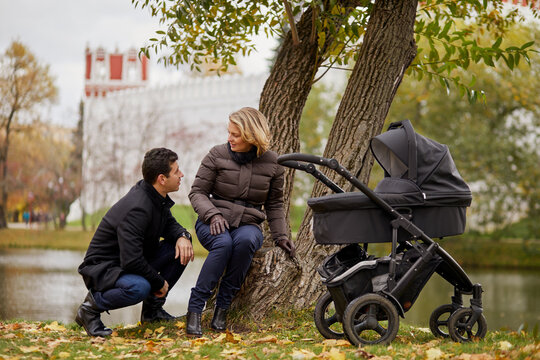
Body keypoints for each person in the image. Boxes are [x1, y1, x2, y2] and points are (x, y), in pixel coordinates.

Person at [186, 107, 296, 336]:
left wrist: (281, 236)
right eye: (229, 133)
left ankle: (222, 308)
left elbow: (275, 204)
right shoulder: (216, 154)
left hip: (248, 224)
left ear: (251, 135)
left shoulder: (273, 163)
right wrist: (212, 215)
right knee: (223, 243)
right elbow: (197, 192)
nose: (229, 139)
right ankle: (195, 308)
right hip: (212, 220)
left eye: (235, 134)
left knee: (246, 242)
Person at [76, 148, 194, 337]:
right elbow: (131, 260)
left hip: (128, 261)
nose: (181, 175)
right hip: (104, 268)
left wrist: (183, 236)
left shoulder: (156, 197)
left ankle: (152, 312)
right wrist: (159, 282)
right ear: (162, 179)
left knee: (180, 249)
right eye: (176, 171)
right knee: (139, 287)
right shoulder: (138, 208)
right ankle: (89, 309)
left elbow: (171, 226)